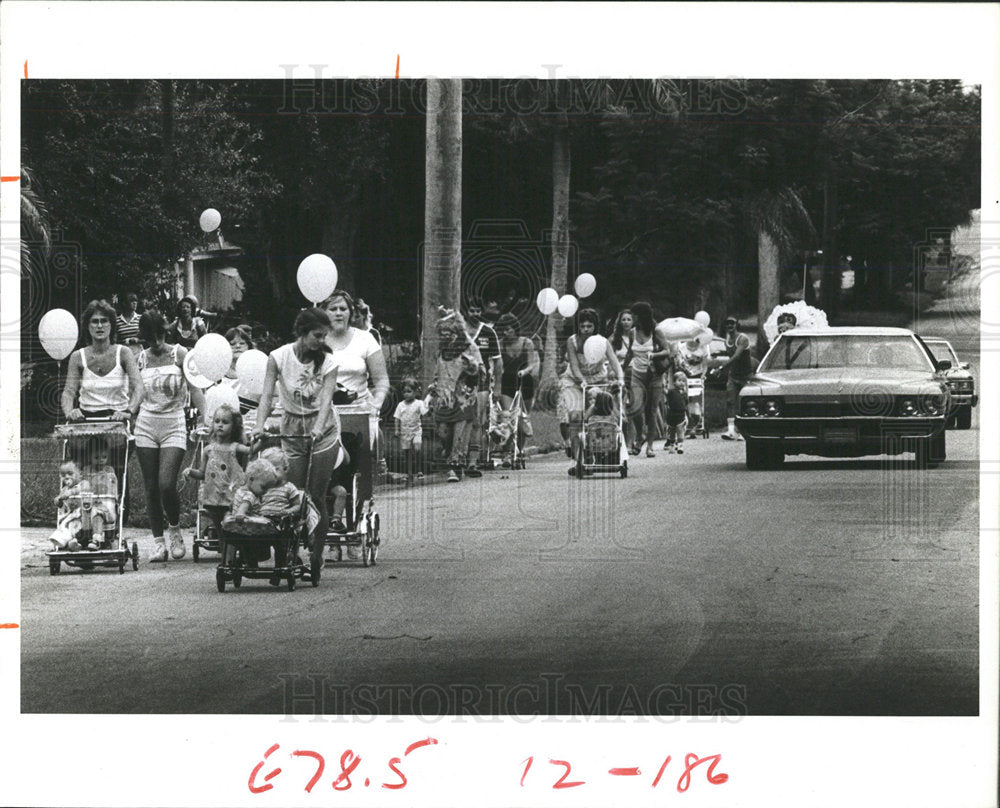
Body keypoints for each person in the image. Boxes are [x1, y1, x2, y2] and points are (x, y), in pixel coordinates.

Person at [255, 307, 343, 570]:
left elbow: (327, 399)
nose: (321, 341)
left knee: (316, 495)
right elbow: (267, 396)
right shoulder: (278, 357)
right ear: (303, 334)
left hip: (323, 429)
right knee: (291, 495)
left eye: (325, 336)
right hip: (292, 428)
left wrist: (317, 427)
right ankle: (291, 549)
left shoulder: (328, 361)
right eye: (317, 335)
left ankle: (317, 551)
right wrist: (259, 426)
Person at [61, 299, 144, 526]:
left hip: (115, 422)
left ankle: (113, 529)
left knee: (114, 477)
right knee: (81, 477)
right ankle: (79, 527)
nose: (99, 326)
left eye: (104, 321)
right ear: (87, 326)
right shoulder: (78, 357)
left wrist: (128, 411)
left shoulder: (123, 353)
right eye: (94, 321)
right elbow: (69, 391)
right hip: (85, 423)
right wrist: (71, 411)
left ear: (111, 325)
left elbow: (139, 386)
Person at [133, 310, 205, 561]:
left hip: (174, 423)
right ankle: (158, 543)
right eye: (151, 338)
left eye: (160, 335)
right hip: (146, 424)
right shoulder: (140, 359)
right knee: (151, 486)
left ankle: (174, 529)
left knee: (166, 483)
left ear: (166, 331)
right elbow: (135, 393)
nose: (157, 342)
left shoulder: (180, 354)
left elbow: (195, 389)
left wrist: (205, 418)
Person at [322, 291, 390, 550]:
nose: (338, 313)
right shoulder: (317, 340)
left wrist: (377, 402)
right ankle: (328, 519)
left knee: (356, 465)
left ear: (351, 313)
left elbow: (381, 381)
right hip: (326, 413)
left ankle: (353, 518)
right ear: (324, 312)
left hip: (359, 412)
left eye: (343, 309)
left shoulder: (365, 340)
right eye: (333, 308)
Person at [558, 308, 625, 471]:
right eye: (583, 326)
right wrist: (582, 381)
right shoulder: (572, 342)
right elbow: (574, 365)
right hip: (574, 380)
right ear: (578, 327)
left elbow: (615, 363)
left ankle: (603, 450)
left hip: (598, 379)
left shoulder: (602, 342)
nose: (586, 329)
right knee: (575, 416)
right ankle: (576, 459)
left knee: (601, 413)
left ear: (595, 327)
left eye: (589, 326)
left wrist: (620, 379)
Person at [426, 309, 483, 483]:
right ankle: (451, 455)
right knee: (443, 432)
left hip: (463, 398)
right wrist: (433, 387)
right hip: (444, 399)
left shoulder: (469, 347)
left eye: (449, 333)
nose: (445, 336)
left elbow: (481, 371)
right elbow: (438, 372)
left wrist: (472, 367)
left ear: (456, 333)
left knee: (459, 433)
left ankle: (455, 466)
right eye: (442, 333)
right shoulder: (441, 351)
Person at [182, 403, 249, 543]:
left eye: (225, 422)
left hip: (231, 496)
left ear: (234, 427)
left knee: (229, 524)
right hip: (213, 496)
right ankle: (224, 550)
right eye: (217, 421)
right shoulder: (208, 450)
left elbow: (251, 451)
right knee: (219, 526)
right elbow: (202, 473)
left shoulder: (235, 448)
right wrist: (190, 472)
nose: (220, 425)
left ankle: (229, 550)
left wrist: (258, 442)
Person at [627, 301, 672, 458]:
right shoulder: (632, 332)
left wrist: (654, 355)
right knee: (635, 407)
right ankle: (640, 436)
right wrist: (620, 367)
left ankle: (650, 446)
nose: (632, 318)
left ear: (640, 316)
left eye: (634, 315)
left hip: (654, 375)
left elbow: (668, 351)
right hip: (637, 374)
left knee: (652, 411)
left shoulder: (655, 331)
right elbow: (629, 353)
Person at [463, 299, 502, 475]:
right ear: (466, 311)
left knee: (477, 421)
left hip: (481, 382)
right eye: (472, 310)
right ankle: (456, 458)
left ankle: (472, 462)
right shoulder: (458, 330)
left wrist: (498, 387)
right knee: (460, 420)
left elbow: (498, 361)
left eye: (479, 310)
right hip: (460, 382)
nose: (476, 314)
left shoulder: (488, 332)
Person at [495, 312, 539, 452]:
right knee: (508, 416)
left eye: (508, 329)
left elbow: (532, 364)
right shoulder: (501, 344)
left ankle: (519, 449)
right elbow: (498, 364)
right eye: (503, 330)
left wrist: (524, 371)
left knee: (522, 418)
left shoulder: (527, 343)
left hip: (525, 381)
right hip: (507, 382)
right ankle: (508, 449)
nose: (506, 332)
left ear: (515, 328)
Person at [720, 316, 752, 441]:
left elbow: (737, 356)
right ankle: (731, 430)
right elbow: (732, 359)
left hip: (746, 375)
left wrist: (722, 367)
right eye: (727, 324)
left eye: (732, 323)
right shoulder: (726, 341)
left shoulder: (742, 338)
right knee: (730, 401)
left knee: (744, 403)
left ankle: (744, 431)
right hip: (734, 375)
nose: (729, 326)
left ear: (736, 324)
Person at [609, 308, 636, 449]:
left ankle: (631, 441)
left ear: (633, 322)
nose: (626, 322)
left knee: (632, 408)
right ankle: (620, 441)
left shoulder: (636, 337)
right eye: (623, 319)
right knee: (619, 407)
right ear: (619, 322)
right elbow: (609, 357)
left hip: (634, 375)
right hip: (619, 376)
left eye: (629, 319)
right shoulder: (614, 339)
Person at [393, 377, 428, 484]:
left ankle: (419, 469)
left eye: (409, 391)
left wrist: (428, 403)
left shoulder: (419, 403)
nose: (406, 394)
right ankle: (409, 473)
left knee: (417, 447)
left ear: (415, 392)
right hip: (405, 432)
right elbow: (397, 418)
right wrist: (397, 430)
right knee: (407, 452)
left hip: (416, 430)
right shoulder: (400, 405)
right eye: (404, 392)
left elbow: (424, 412)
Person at [49, 459, 89, 551]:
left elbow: (83, 489)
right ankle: (63, 544)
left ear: (80, 474)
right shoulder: (64, 490)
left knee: (81, 531)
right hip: (70, 517)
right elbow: (63, 507)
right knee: (64, 529)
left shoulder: (84, 484)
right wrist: (59, 501)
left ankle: (75, 543)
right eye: (63, 475)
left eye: (70, 474)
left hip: (83, 516)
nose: (66, 477)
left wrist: (71, 492)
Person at [675, 336, 711, 438]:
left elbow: (705, 365)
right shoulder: (682, 348)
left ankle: (695, 425)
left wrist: (703, 375)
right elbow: (679, 363)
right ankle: (686, 425)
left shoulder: (703, 348)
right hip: (685, 376)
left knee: (696, 401)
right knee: (685, 401)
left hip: (698, 376)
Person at [663, 372, 689, 454]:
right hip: (671, 414)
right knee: (672, 431)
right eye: (679, 380)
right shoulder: (671, 392)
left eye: (683, 381)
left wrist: (687, 414)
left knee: (680, 429)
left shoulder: (684, 394)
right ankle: (672, 444)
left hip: (680, 414)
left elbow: (686, 404)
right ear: (674, 382)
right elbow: (665, 392)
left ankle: (680, 445)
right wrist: (663, 385)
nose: (681, 383)